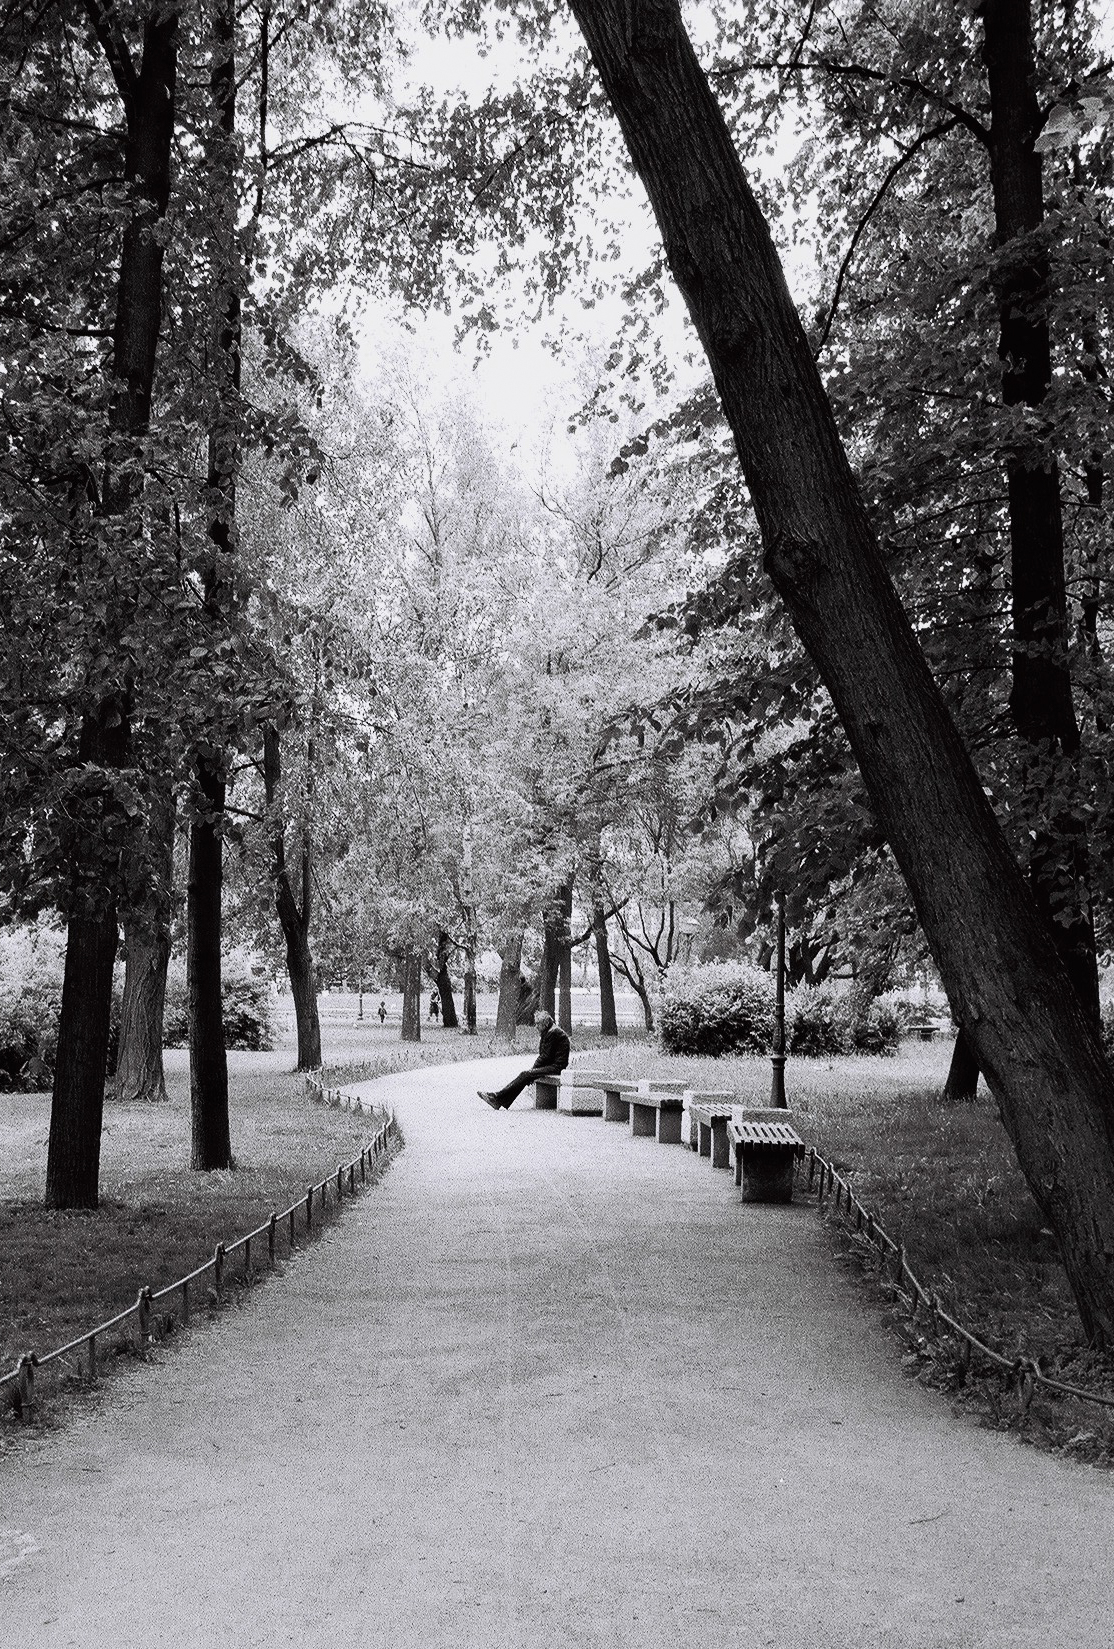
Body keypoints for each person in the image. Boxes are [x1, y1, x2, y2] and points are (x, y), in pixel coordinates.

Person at [479, 1009, 570, 1110]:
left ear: (545, 1023)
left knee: (525, 1074)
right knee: (526, 1075)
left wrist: (532, 1071)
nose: (536, 1027)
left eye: (538, 1024)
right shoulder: (550, 1031)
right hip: (553, 1065)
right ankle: (497, 1098)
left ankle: (497, 1099)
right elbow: (545, 1055)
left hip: (557, 1067)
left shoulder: (553, 1033)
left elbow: (545, 1057)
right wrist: (532, 1072)